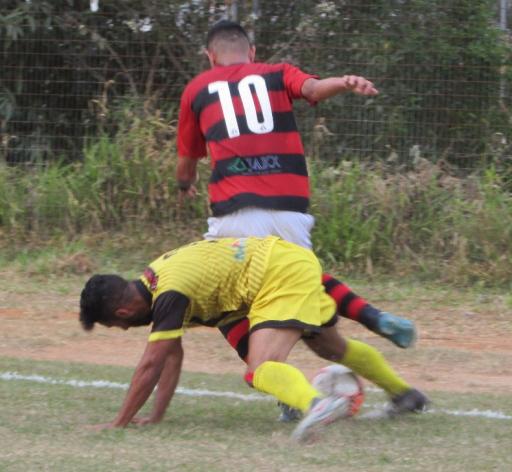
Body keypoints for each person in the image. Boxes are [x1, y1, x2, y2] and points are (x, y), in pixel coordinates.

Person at [176, 20, 416, 355]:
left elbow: (187, 160)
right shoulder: (276, 73)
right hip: (291, 212)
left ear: (210, 56)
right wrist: (346, 83)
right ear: (252, 52)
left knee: (223, 302)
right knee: (302, 285)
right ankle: (372, 317)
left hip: (235, 215)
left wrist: (184, 184)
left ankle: (277, 382)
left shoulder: (197, 89)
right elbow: (314, 89)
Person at [79, 236, 429, 441]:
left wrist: (118, 423)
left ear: (122, 315)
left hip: (276, 277)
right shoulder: (159, 277)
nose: (123, 331)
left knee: (259, 369)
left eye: (114, 326)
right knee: (329, 346)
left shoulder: (169, 294)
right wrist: (156, 415)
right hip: (289, 262)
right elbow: (171, 355)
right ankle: (405, 395)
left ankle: (316, 403)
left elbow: (151, 363)